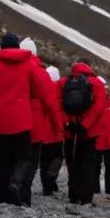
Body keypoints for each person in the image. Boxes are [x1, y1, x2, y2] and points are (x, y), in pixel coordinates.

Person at [0, 33, 60, 205]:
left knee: (1, 161)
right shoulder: (29, 67)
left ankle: (2, 198)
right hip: (21, 122)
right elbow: (45, 95)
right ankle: (16, 182)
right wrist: (56, 124)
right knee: (24, 157)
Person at [60, 61, 109, 205]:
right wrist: (85, 124)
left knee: (72, 162)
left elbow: (58, 103)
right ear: (89, 68)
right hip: (89, 131)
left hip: (71, 130)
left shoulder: (65, 82)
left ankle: (73, 195)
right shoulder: (97, 83)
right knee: (88, 163)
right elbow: (99, 107)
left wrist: (68, 122)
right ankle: (86, 197)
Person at [18, 38, 59, 205]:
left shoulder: (7, 65)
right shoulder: (38, 71)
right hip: (34, 122)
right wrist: (57, 125)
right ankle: (23, 194)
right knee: (31, 160)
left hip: (11, 120)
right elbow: (49, 101)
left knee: (14, 158)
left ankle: (7, 191)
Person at [38, 66, 65, 195]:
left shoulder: (41, 88)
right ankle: (50, 179)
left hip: (42, 130)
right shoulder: (61, 90)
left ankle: (46, 185)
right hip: (57, 130)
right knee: (57, 157)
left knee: (44, 160)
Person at [92, 77, 110, 196]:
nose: (105, 90)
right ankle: (95, 189)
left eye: (106, 88)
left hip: (109, 140)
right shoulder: (93, 103)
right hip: (97, 139)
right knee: (95, 166)